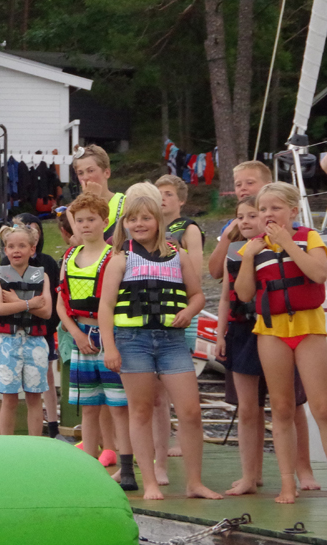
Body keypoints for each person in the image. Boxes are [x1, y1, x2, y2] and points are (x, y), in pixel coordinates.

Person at [99, 183, 220, 501]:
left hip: (172, 341)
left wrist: (188, 312)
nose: (139, 224)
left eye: (145, 218)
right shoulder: (120, 259)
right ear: (125, 223)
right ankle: (150, 482)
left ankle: (194, 482)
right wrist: (109, 347)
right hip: (132, 341)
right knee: (140, 411)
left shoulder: (178, 256)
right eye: (132, 219)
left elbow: (197, 295)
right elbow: (106, 307)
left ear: (158, 221)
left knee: (190, 411)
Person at [207, 159, 318, 491]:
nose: (243, 188)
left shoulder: (299, 235)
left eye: (249, 183)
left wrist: (283, 239)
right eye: (238, 183)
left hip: (294, 327)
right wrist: (234, 242)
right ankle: (253, 476)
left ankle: (304, 471)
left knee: (295, 404)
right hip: (250, 329)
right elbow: (227, 286)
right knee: (252, 407)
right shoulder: (241, 241)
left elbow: (317, 273)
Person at [234, 182, 327, 504]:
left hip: (309, 328)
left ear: (293, 211)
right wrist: (249, 257)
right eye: (263, 209)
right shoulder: (253, 248)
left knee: (322, 407)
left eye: (276, 208)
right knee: (282, 407)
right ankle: (288, 484)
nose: (268, 214)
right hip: (272, 331)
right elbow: (244, 293)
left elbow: (319, 274)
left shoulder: (308, 238)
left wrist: (288, 243)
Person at [56, 193, 136, 490]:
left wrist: (107, 341)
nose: (85, 225)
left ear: (105, 221)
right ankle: (88, 467)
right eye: (80, 221)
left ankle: (126, 468)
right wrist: (75, 334)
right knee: (88, 406)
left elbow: (111, 302)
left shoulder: (114, 256)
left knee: (118, 406)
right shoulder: (69, 257)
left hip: (109, 336)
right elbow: (61, 303)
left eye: (91, 219)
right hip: (80, 335)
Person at [152, 174, 206, 481]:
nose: (163, 198)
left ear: (181, 200)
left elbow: (195, 271)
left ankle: (183, 443)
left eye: (169, 194)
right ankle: (161, 448)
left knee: (180, 384)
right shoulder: (148, 229)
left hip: (182, 311)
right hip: (153, 315)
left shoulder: (189, 229)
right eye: (159, 193)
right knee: (156, 392)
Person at [214, 197, 268, 495]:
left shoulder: (279, 248)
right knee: (248, 408)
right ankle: (250, 475)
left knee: (283, 408)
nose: (245, 221)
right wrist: (220, 335)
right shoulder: (234, 251)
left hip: (273, 330)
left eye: (252, 215)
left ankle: (295, 473)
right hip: (241, 331)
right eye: (240, 216)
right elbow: (225, 297)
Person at [0, 224, 52, 436]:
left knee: (34, 397)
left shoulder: (43, 276)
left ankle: (35, 443)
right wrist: (29, 304)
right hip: (8, 342)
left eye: (22, 246)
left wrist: (16, 301)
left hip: (36, 343)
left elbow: (47, 312)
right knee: (9, 398)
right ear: (5, 250)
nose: (16, 250)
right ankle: (6, 445)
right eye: (11, 246)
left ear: (32, 249)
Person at [11, 212, 61, 438]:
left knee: (46, 374)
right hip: (14, 331)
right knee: (14, 384)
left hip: (44, 327)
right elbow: (1, 302)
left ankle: (53, 426)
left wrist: (51, 322)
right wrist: (25, 304)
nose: (32, 233)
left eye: (35, 230)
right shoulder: (6, 265)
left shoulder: (47, 262)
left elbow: (54, 298)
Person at [71, 145, 125, 243]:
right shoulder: (73, 209)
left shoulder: (125, 203)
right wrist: (90, 200)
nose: (85, 177)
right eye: (80, 173)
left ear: (107, 173)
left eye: (90, 171)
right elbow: (82, 242)